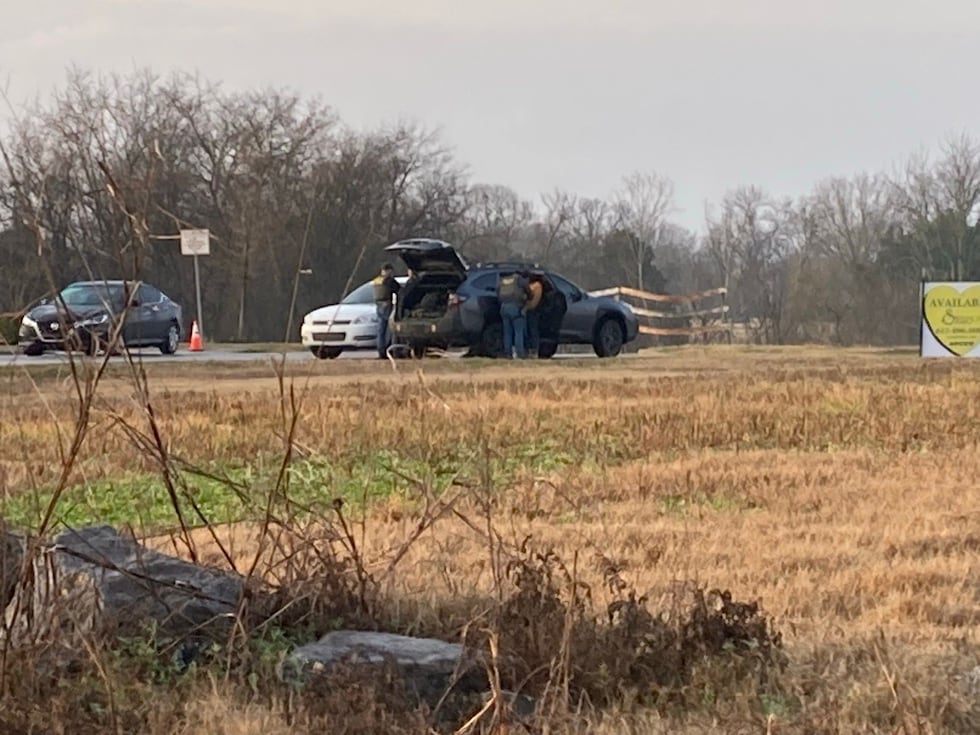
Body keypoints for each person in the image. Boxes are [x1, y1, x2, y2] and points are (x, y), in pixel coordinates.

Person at [497, 270, 530, 359]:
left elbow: (497, 292)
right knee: (518, 331)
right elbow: (528, 291)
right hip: (516, 307)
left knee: (507, 332)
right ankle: (520, 353)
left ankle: (508, 353)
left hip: (504, 307)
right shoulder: (519, 279)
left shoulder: (503, 280)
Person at [372, 262, 401, 359]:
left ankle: (381, 351)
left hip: (378, 305)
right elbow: (399, 290)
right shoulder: (389, 280)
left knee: (381, 329)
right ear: (388, 270)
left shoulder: (377, 280)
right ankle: (394, 350)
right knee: (393, 328)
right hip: (387, 305)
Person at [524, 273, 544, 357]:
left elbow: (534, 301)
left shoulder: (537, 286)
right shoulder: (533, 285)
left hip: (532, 310)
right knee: (529, 331)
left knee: (533, 330)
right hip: (529, 310)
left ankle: (534, 350)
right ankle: (529, 350)